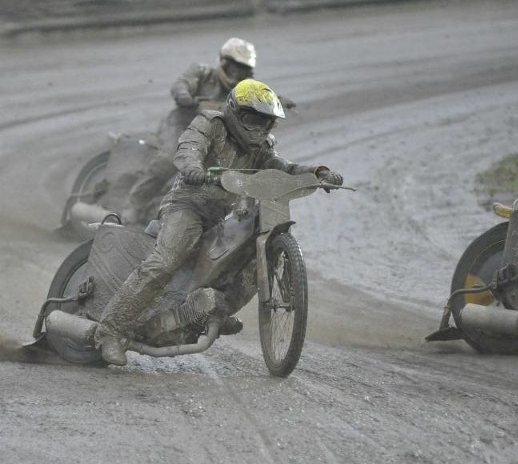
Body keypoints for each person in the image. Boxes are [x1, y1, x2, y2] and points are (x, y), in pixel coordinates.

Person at [94, 79, 343, 365]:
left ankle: (209, 311)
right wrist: (193, 169)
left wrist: (317, 173)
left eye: (266, 123)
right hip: (187, 206)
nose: (259, 128)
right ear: (234, 111)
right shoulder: (210, 123)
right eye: (252, 119)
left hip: (220, 217)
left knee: (248, 263)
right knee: (164, 262)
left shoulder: (263, 146)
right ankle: (109, 331)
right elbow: (188, 148)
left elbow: (283, 169)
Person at [122, 37, 295, 224]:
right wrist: (184, 95)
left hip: (214, 131)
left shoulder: (243, 88)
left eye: (244, 71)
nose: (238, 75)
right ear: (223, 62)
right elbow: (181, 84)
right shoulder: (202, 72)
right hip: (182, 124)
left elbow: (261, 95)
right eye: (235, 68)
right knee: (169, 158)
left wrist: (279, 100)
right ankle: (134, 205)